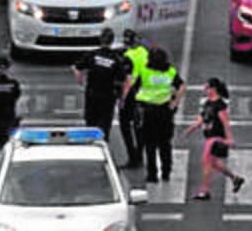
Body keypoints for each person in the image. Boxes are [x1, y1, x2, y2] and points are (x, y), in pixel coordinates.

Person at [127, 47, 185, 183]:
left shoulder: (145, 72)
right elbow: (181, 86)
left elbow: (134, 87)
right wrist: (175, 103)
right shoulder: (170, 72)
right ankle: (166, 171)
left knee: (150, 144)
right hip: (165, 111)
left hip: (148, 112)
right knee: (165, 144)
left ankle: (152, 174)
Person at [182, 77, 244, 200]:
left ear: (213, 89)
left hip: (216, 137)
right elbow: (200, 120)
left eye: (207, 87)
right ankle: (235, 178)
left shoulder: (220, 105)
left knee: (206, 163)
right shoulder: (207, 103)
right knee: (213, 163)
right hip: (209, 136)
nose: (205, 89)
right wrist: (190, 130)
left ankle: (204, 191)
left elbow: (225, 122)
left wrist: (229, 138)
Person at [72, 28, 128, 140]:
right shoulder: (116, 59)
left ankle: (90, 146)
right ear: (112, 41)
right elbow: (123, 80)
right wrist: (122, 99)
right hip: (108, 97)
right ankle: (102, 144)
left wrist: (80, 79)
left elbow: (76, 67)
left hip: (92, 95)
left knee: (90, 124)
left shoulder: (92, 55)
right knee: (104, 127)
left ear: (100, 39)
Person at [117, 29, 149, 169]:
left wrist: (122, 98)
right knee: (139, 126)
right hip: (144, 91)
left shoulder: (127, 56)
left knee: (125, 125)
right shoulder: (143, 51)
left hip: (131, 93)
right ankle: (140, 154)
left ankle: (132, 156)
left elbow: (129, 80)